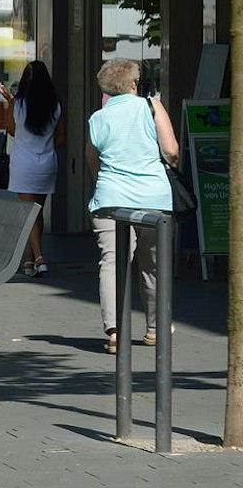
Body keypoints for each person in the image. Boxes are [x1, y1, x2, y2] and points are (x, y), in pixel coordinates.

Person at [87, 59, 177, 354]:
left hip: (110, 199)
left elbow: (92, 160)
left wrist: (105, 183)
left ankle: (114, 333)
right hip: (153, 200)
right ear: (133, 84)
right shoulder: (151, 106)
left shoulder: (98, 118)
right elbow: (171, 150)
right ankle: (154, 328)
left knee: (112, 262)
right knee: (153, 266)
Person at [3, 60, 60, 275]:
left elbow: (11, 130)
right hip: (46, 163)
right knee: (37, 213)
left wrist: (9, 101)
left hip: (23, 163)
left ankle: (39, 257)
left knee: (28, 214)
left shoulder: (19, 103)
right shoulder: (54, 105)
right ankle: (30, 260)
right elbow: (61, 138)